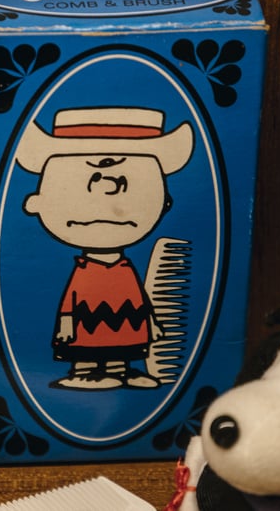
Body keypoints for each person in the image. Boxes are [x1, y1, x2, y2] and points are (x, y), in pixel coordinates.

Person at [14, 107, 193, 390]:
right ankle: (84, 371)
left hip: (127, 320)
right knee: (88, 339)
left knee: (123, 338)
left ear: (163, 202)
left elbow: (138, 298)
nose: (106, 189)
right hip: (86, 322)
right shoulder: (86, 271)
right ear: (36, 202)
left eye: (125, 183)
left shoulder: (124, 269)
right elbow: (72, 299)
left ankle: (120, 370)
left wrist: (151, 322)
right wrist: (66, 323)